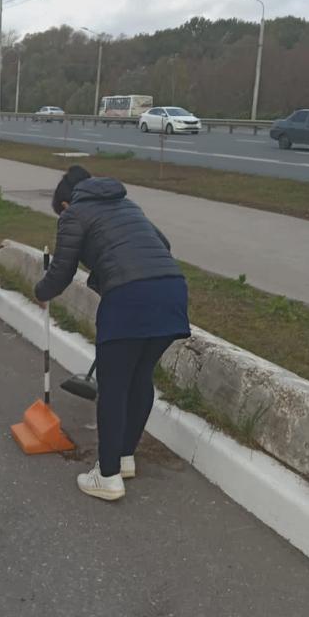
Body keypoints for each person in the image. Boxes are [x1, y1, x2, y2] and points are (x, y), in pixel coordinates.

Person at [35, 165, 190, 502]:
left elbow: (62, 270)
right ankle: (124, 457)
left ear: (65, 203)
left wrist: (41, 291)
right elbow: (162, 243)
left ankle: (107, 476)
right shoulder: (127, 205)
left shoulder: (73, 214)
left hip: (129, 298)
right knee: (140, 378)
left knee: (114, 388)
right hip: (171, 290)